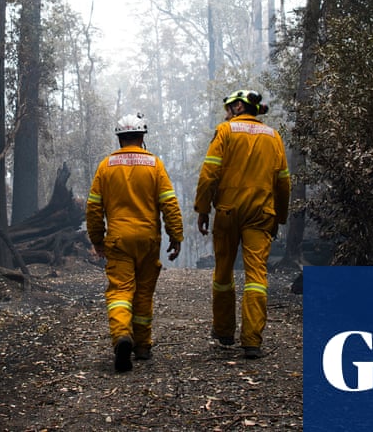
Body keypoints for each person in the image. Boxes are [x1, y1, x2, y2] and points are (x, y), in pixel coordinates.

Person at [194, 90, 291, 359]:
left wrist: (202, 209)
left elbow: (209, 173)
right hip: (261, 213)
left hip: (227, 211)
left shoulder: (225, 131)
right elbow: (283, 182)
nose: (226, 112)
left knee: (223, 271)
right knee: (257, 276)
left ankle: (224, 331)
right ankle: (252, 341)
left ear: (238, 106)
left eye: (228, 107)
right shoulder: (274, 137)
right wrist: (279, 217)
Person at [86, 113, 184, 373]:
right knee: (143, 293)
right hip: (148, 238)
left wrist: (97, 239)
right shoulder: (154, 164)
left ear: (119, 138)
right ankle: (142, 346)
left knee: (120, 291)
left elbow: (94, 208)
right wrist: (176, 235)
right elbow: (169, 203)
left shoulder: (106, 166)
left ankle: (121, 336)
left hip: (118, 239)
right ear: (142, 137)